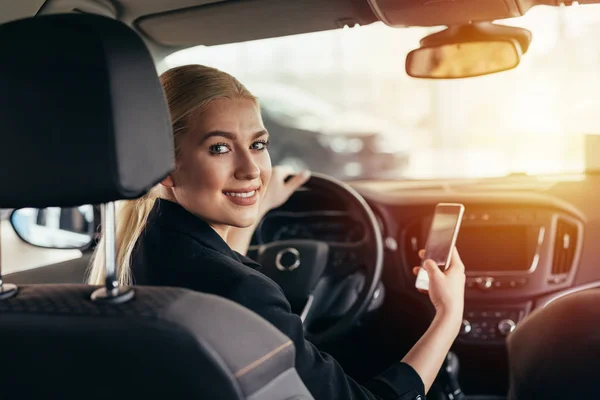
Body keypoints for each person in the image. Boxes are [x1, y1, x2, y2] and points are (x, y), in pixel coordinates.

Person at [88, 64, 466, 400]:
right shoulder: (242, 291)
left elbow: (218, 268)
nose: (251, 170)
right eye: (219, 147)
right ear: (165, 165)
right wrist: (448, 316)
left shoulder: (136, 249)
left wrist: (259, 206)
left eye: (258, 145)